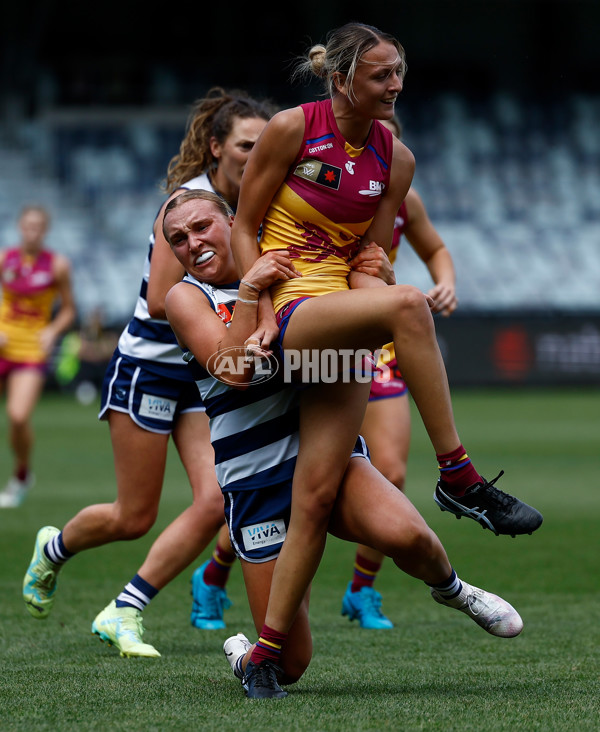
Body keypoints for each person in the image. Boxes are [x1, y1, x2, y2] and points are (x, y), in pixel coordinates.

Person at [228, 21, 543, 678]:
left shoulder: (397, 161)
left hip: (338, 330)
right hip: (289, 309)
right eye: (381, 74)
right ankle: (459, 476)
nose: (396, 85)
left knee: (316, 497)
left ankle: (262, 656)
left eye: (399, 71)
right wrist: (256, 308)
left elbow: (371, 260)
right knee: (408, 304)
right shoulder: (292, 128)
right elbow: (245, 227)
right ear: (340, 79)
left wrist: (373, 292)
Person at [160, 190, 525, 699]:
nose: (192, 243)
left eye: (202, 227)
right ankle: (245, 652)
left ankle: (457, 592)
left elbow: (353, 329)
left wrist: (378, 279)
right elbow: (234, 370)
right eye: (178, 238)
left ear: (233, 221)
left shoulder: (286, 264)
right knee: (289, 665)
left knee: (411, 539)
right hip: (255, 481)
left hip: (327, 455)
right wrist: (249, 292)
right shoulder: (185, 297)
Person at [22, 88, 274, 656]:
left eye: (266, 146)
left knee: (218, 501)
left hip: (200, 373)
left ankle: (125, 608)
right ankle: (55, 547)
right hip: (151, 367)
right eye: (245, 146)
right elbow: (164, 299)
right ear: (216, 147)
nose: (257, 156)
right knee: (133, 515)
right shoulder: (188, 206)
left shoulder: (256, 201)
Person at [341, 114, 459, 629]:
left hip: (377, 341)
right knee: (283, 472)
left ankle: (361, 591)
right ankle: (214, 576)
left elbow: (433, 246)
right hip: (315, 330)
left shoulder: (403, 198)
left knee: (390, 471)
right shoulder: (313, 182)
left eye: (389, 133)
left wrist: (445, 280)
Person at [0, 205, 76, 507]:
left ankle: (21, 474)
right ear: (20, 226)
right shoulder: (5, 259)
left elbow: (69, 309)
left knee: (18, 416)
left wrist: (52, 331)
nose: (32, 231)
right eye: (27, 225)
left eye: (37, 226)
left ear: (44, 230)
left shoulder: (57, 265)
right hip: (3, 345)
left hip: (31, 349)